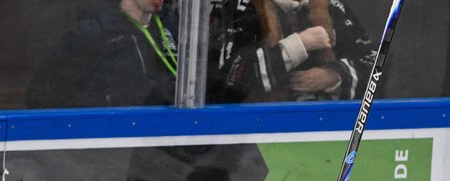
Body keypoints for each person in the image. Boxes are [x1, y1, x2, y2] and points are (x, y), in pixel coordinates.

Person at [208, 0, 377, 102]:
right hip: (255, 140)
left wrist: (334, 76)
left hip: (325, 132)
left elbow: (372, 63)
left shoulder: (332, 7)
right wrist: (297, 46)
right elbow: (228, 81)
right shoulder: (239, 8)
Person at [26, 0, 179, 108]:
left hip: (164, 141)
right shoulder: (92, 34)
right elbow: (40, 95)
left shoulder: (174, 26)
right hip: (109, 142)